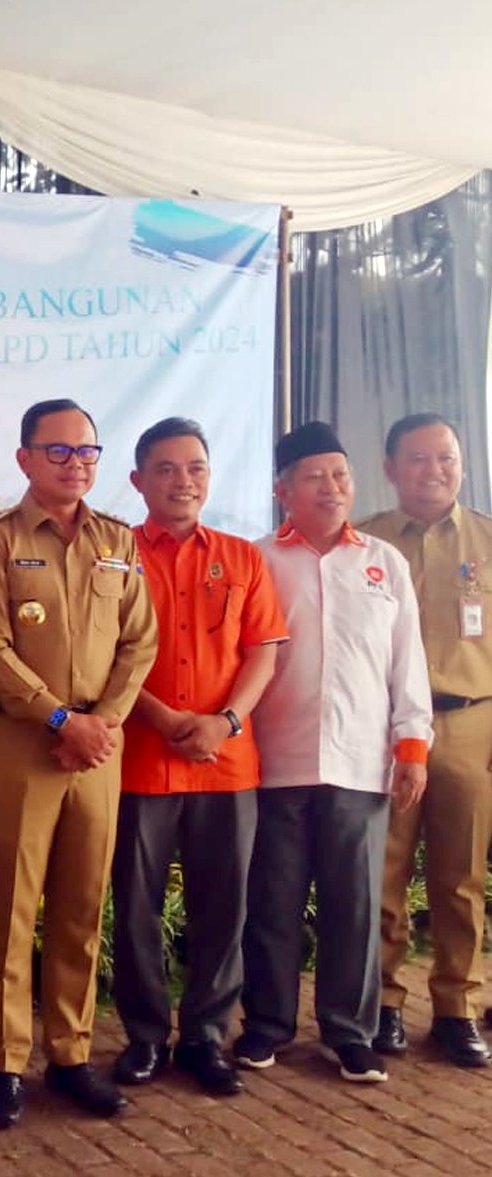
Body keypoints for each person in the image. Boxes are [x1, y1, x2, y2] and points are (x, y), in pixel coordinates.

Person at [0, 398, 158, 1129]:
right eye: (59, 451)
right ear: (25, 459)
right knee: (13, 906)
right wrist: (58, 718)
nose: (76, 464)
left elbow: (139, 641)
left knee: (81, 905)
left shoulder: (117, 541)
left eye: (87, 452)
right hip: (22, 740)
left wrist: (100, 723)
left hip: (98, 746)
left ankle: (70, 1055)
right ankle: (3, 1063)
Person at [235, 421, 432, 1084]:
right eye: (315, 477)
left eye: (341, 475)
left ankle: (350, 1032)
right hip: (275, 761)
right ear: (282, 491)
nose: (332, 487)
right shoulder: (259, 560)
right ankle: (267, 1025)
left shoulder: (383, 561)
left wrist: (412, 745)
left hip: (360, 761)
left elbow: (407, 661)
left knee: (354, 906)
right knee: (273, 903)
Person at [111, 418, 288, 1097]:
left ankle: (206, 1037)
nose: (182, 481)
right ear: (138, 480)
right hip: (139, 760)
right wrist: (161, 717)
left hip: (226, 763)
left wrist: (226, 722)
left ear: (209, 477)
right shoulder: (115, 556)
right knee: (136, 908)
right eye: (165, 469)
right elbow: (101, 654)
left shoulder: (243, 558)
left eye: (195, 468)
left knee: (224, 907)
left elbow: (263, 652)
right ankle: (145, 1036)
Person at [357, 412, 492, 1067]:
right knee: (383, 872)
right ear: (389, 468)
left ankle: (456, 1007)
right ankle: (382, 1003)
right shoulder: (365, 544)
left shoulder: (488, 539)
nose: (434, 470)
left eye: (447, 457)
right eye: (418, 458)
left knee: (460, 876)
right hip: (384, 730)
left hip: (470, 723)